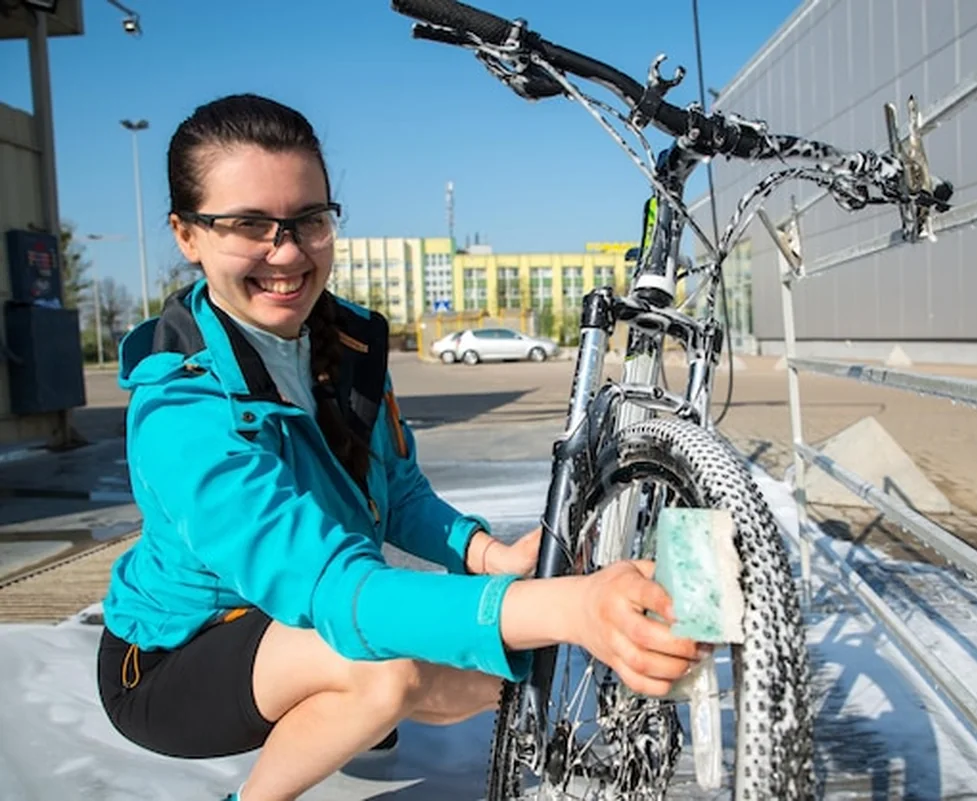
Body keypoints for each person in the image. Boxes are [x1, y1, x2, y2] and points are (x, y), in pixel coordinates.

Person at [96, 93, 703, 801]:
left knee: (499, 666)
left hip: (287, 621)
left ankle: (347, 690)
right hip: (173, 658)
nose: (287, 251)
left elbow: (398, 490)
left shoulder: (345, 340)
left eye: (309, 220)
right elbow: (336, 586)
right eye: (249, 224)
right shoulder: (182, 412)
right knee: (386, 671)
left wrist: (488, 555)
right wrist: (575, 607)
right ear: (187, 234)